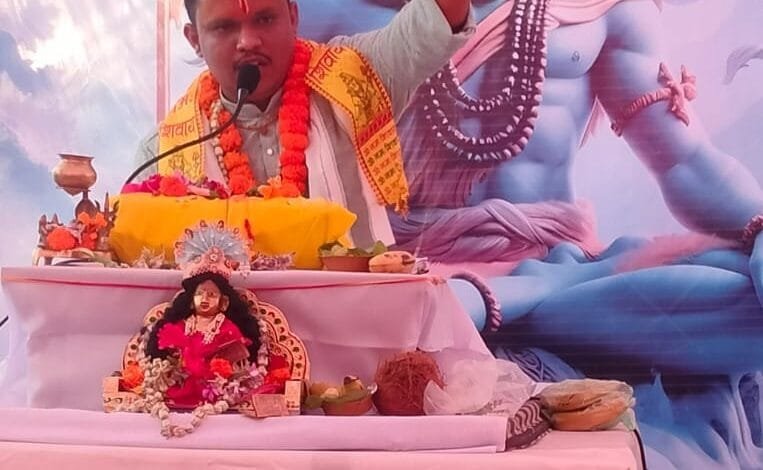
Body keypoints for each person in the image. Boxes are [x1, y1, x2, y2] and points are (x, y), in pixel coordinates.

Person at [301, 0, 763, 467]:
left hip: (560, 272)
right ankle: (504, 305)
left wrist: (761, 229)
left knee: (738, 287)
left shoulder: (598, 8)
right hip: (412, 280)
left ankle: (515, 301)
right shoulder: (318, 12)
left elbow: (686, 162)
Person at [135, 0, 474, 249]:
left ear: (293, 16)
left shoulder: (356, 77)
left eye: (265, 19)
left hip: (354, 314)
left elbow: (441, 16)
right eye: (224, 27)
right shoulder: (164, 151)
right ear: (194, 39)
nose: (248, 41)